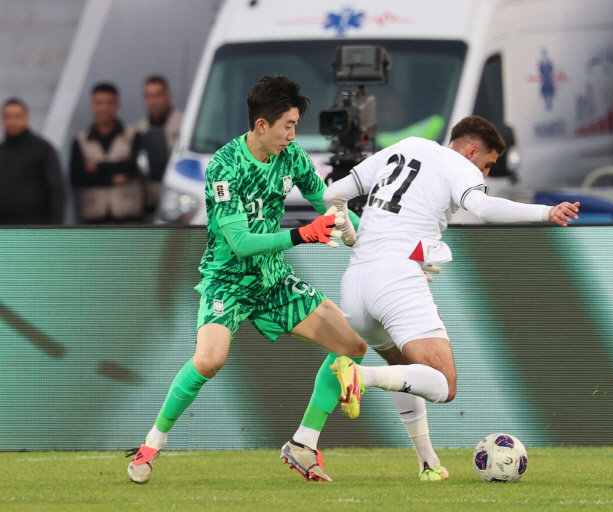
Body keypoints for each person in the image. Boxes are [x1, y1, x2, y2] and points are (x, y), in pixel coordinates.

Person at [126, 75, 367, 484]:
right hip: (228, 280)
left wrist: (383, 247)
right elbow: (238, 242)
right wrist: (301, 234)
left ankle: (303, 444)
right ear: (261, 125)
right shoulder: (224, 165)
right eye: (288, 125)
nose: (293, 135)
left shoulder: (292, 158)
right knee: (210, 360)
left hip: (273, 280)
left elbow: (330, 206)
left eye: (294, 125)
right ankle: (151, 445)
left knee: (353, 346)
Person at [324, 116, 580, 477]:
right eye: (488, 164)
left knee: (404, 370)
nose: (486, 174)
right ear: (472, 149)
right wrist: (545, 212)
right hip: (394, 278)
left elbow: (331, 195)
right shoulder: (459, 165)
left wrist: (351, 236)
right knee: (444, 383)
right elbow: (486, 208)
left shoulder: (405, 146)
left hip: (355, 282)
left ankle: (427, 461)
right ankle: (360, 377)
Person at [70, 82, 143, 223]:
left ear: (117, 105)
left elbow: (135, 167)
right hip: (94, 218)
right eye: (99, 103)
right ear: (92, 105)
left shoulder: (133, 135)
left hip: (129, 217)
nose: (104, 108)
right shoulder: (80, 140)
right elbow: (78, 177)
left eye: (109, 103)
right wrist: (110, 180)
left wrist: (98, 167)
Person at [0, 98, 65, 224]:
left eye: (17, 116)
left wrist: (56, 228)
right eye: (7, 116)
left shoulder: (43, 149)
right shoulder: (1, 152)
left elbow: (57, 190)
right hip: (4, 230)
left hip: (36, 228)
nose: (12, 121)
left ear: (26, 119)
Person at [133, 75, 183, 217]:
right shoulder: (139, 130)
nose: (154, 101)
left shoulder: (186, 125)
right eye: (149, 96)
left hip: (180, 199)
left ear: (168, 95)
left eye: (158, 95)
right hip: (150, 202)